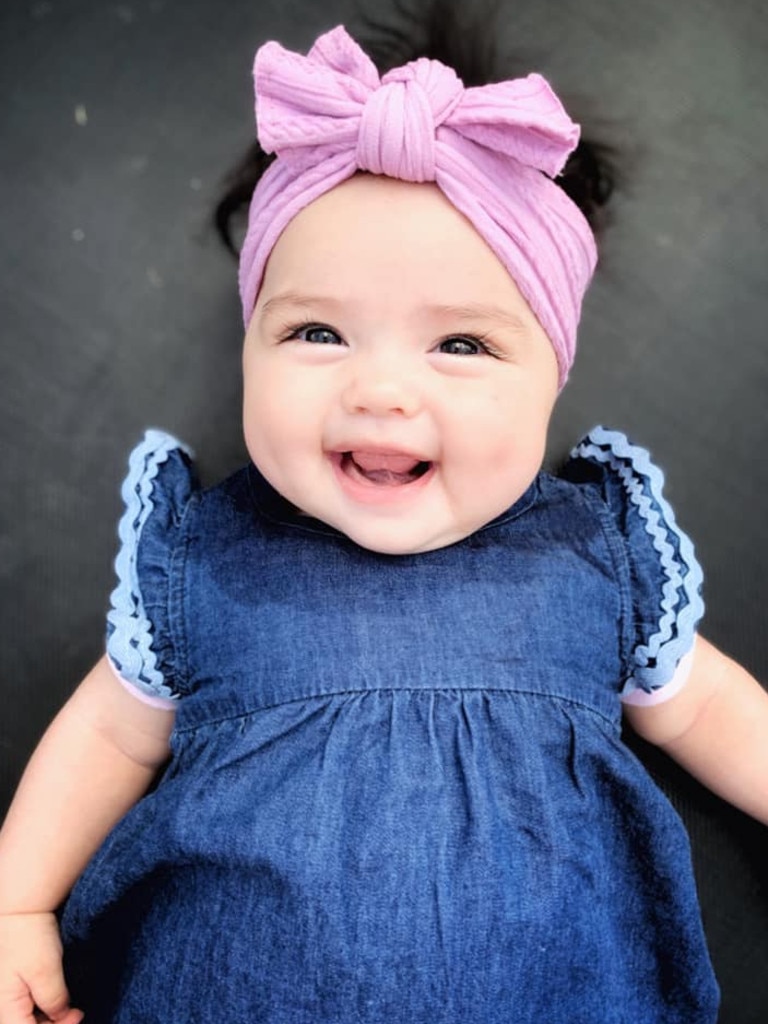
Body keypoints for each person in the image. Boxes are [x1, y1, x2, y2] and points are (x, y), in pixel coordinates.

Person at [0, 11, 767, 1024]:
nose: (382, 391)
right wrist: (17, 899)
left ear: (552, 381)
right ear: (249, 347)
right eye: (318, 331)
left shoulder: (598, 557)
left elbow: (708, 707)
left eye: (459, 345)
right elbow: (109, 731)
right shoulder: (205, 563)